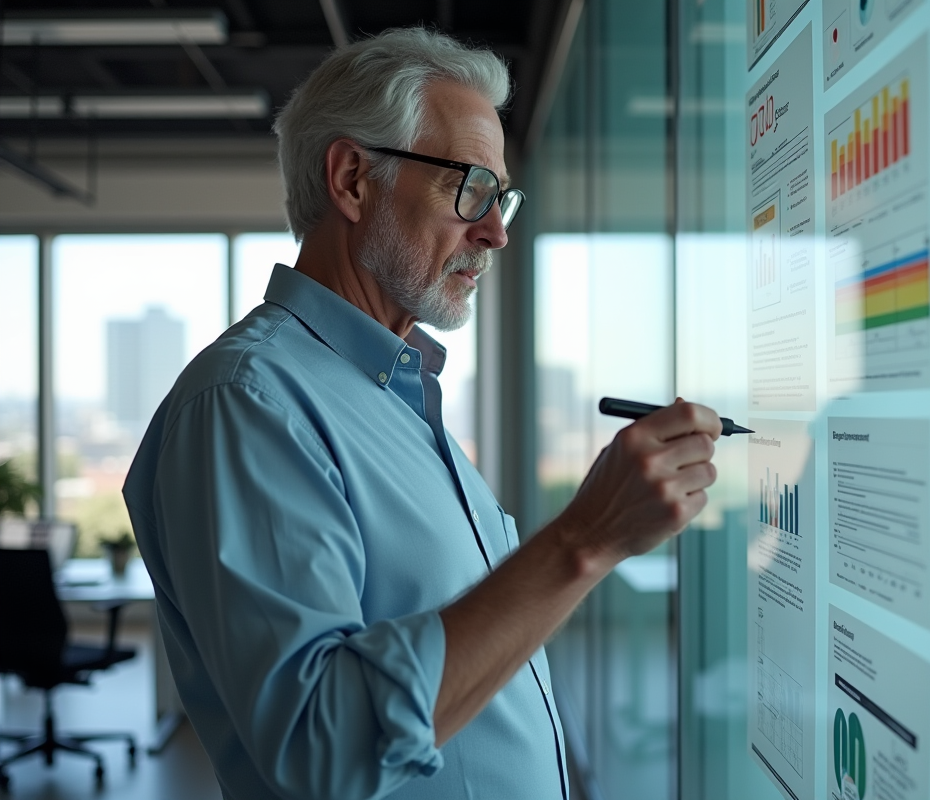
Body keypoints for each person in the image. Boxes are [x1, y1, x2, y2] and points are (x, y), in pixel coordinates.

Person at [123, 26, 721, 800]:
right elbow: (320, 748)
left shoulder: (393, 397)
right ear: (351, 179)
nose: (496, 230)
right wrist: (585, 540)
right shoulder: (248, 404)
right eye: (468, 186)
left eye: (500, 196)